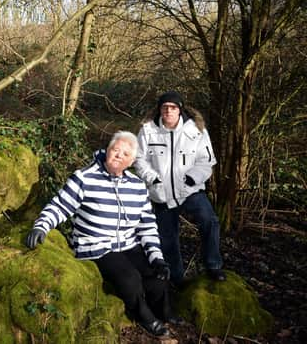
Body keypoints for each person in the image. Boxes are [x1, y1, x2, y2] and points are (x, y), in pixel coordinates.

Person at [26, 131, 179, 338]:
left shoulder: (137, 186)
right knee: (129, 278)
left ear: (131, 161)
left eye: (125, 154)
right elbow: (60, 206)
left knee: (157, 276)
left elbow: (147, 226)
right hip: (95, 245)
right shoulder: (84, 178)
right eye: (115, 150)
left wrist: (157, 258)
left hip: (128, 245)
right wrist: (41, 226)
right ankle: (144, 317)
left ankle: (164, 311)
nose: (118, 155)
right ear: (107, 150)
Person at [134, 91, 225, 286]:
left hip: (190, 190)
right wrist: (152, 178)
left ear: (180, 109)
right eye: (165, 107)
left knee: (209, 220)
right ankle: (177, 279)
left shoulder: (196, 130)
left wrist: (194, 177)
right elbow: (139, 159)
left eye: (173, 107)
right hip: (161, 193)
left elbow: (207, 160)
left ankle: (214, 265)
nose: (168, 111)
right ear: (159, 109)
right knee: (167, 238)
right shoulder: (148, 130)